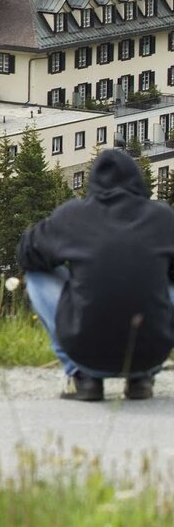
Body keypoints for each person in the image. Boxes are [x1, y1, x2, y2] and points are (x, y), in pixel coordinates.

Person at [17, 148, 174, 402]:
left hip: (86, 353)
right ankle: (142, 378)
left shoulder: (74, 215)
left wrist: (76, 272)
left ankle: (82, 376)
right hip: (150, 354)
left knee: (36, 276)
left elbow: (27, 255)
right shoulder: (163, 217)